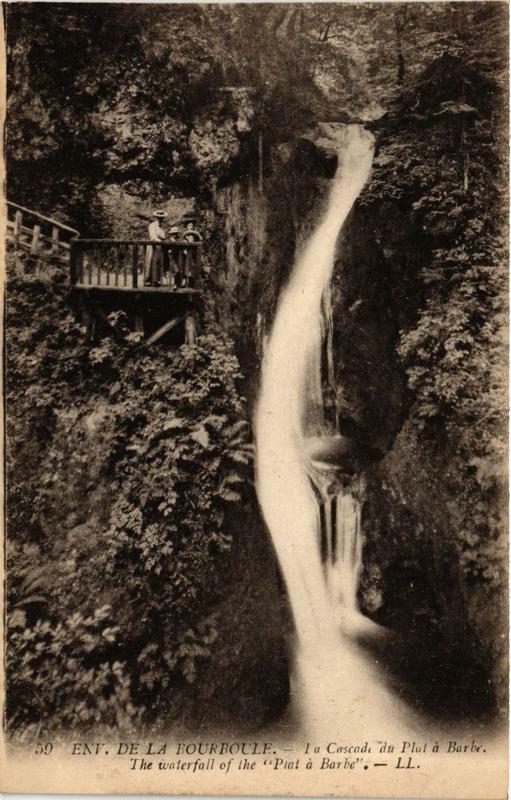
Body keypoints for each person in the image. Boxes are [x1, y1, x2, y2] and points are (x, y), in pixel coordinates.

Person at [145, 210, 167, 286]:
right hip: (152, 246)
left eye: (162, 218)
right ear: (156, 217)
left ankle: (156, 280)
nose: (160, 219)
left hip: (159, 247)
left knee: (158, 263)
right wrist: (159, 239)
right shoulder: (152, 225)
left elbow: (164, 236)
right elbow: (152, 236)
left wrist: (162, 239)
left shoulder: (162, 227)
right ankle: (148, 280)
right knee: (150, 262)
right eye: (159, 217)